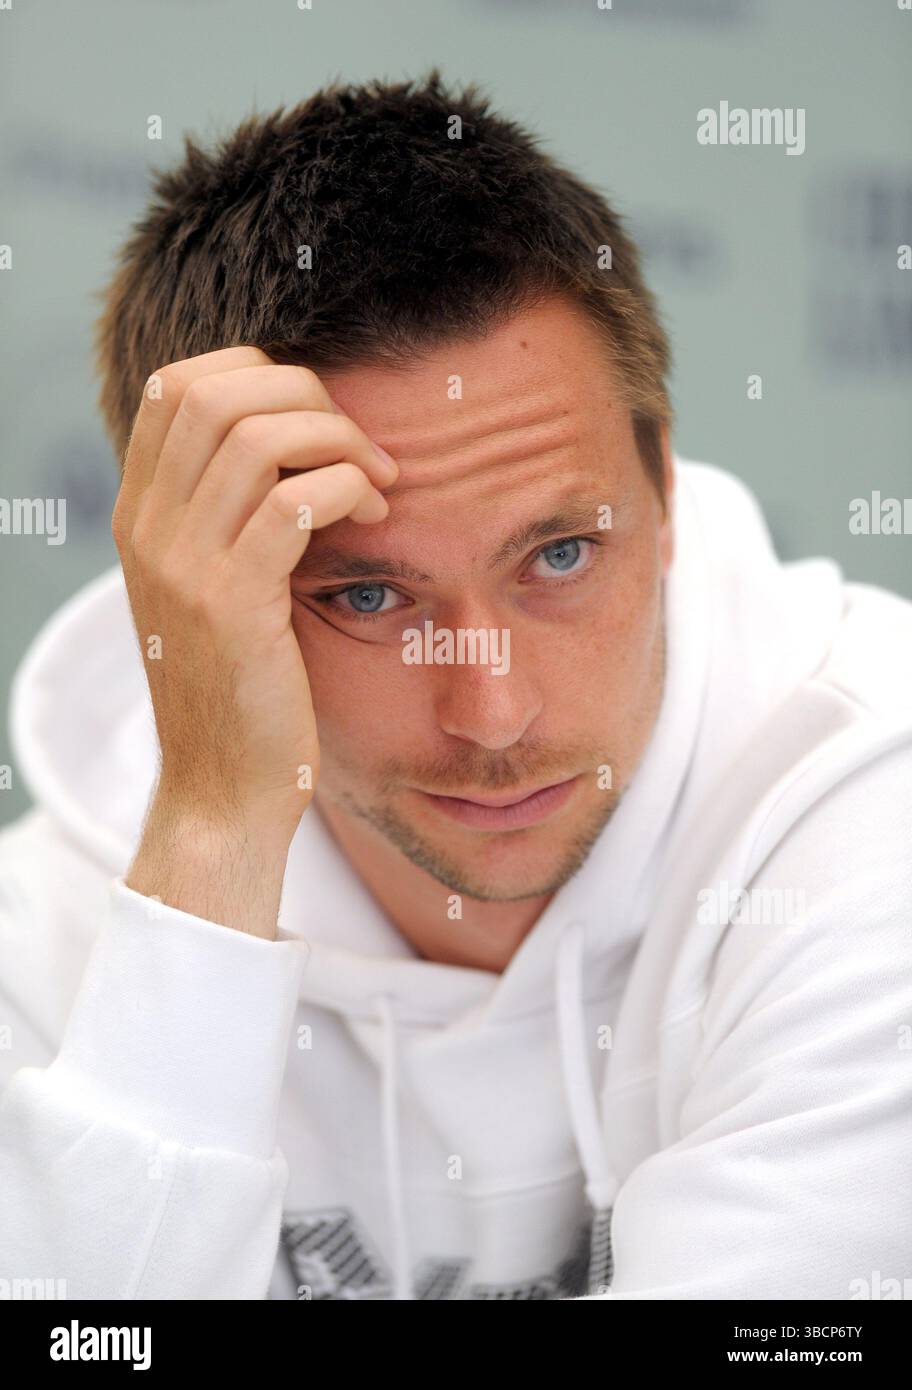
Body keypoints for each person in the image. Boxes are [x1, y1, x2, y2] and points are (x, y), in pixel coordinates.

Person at [1, 72, 910, 1302]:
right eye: (370, 595)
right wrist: (213, 838)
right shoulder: (51, 949)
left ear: (668, 497)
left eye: (561, 555)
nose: (496, 713)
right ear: (208, 597)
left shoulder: (870, 821)